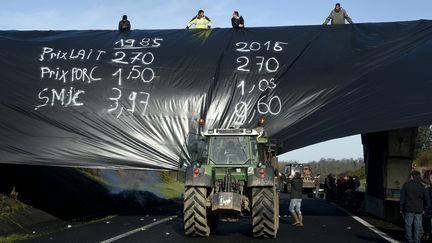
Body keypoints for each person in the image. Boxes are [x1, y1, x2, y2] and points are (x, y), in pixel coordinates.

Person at [400, 170, 429, 243]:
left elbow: (402, 198)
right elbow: (427, 199)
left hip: (408, 209)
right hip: (419, 210)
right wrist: (425, 209)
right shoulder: (422, 187)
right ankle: (417, 240)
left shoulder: (406, 185)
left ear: (412, 176)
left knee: (408, 225)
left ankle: (409, 240)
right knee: (418, 226)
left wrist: (401, 208)